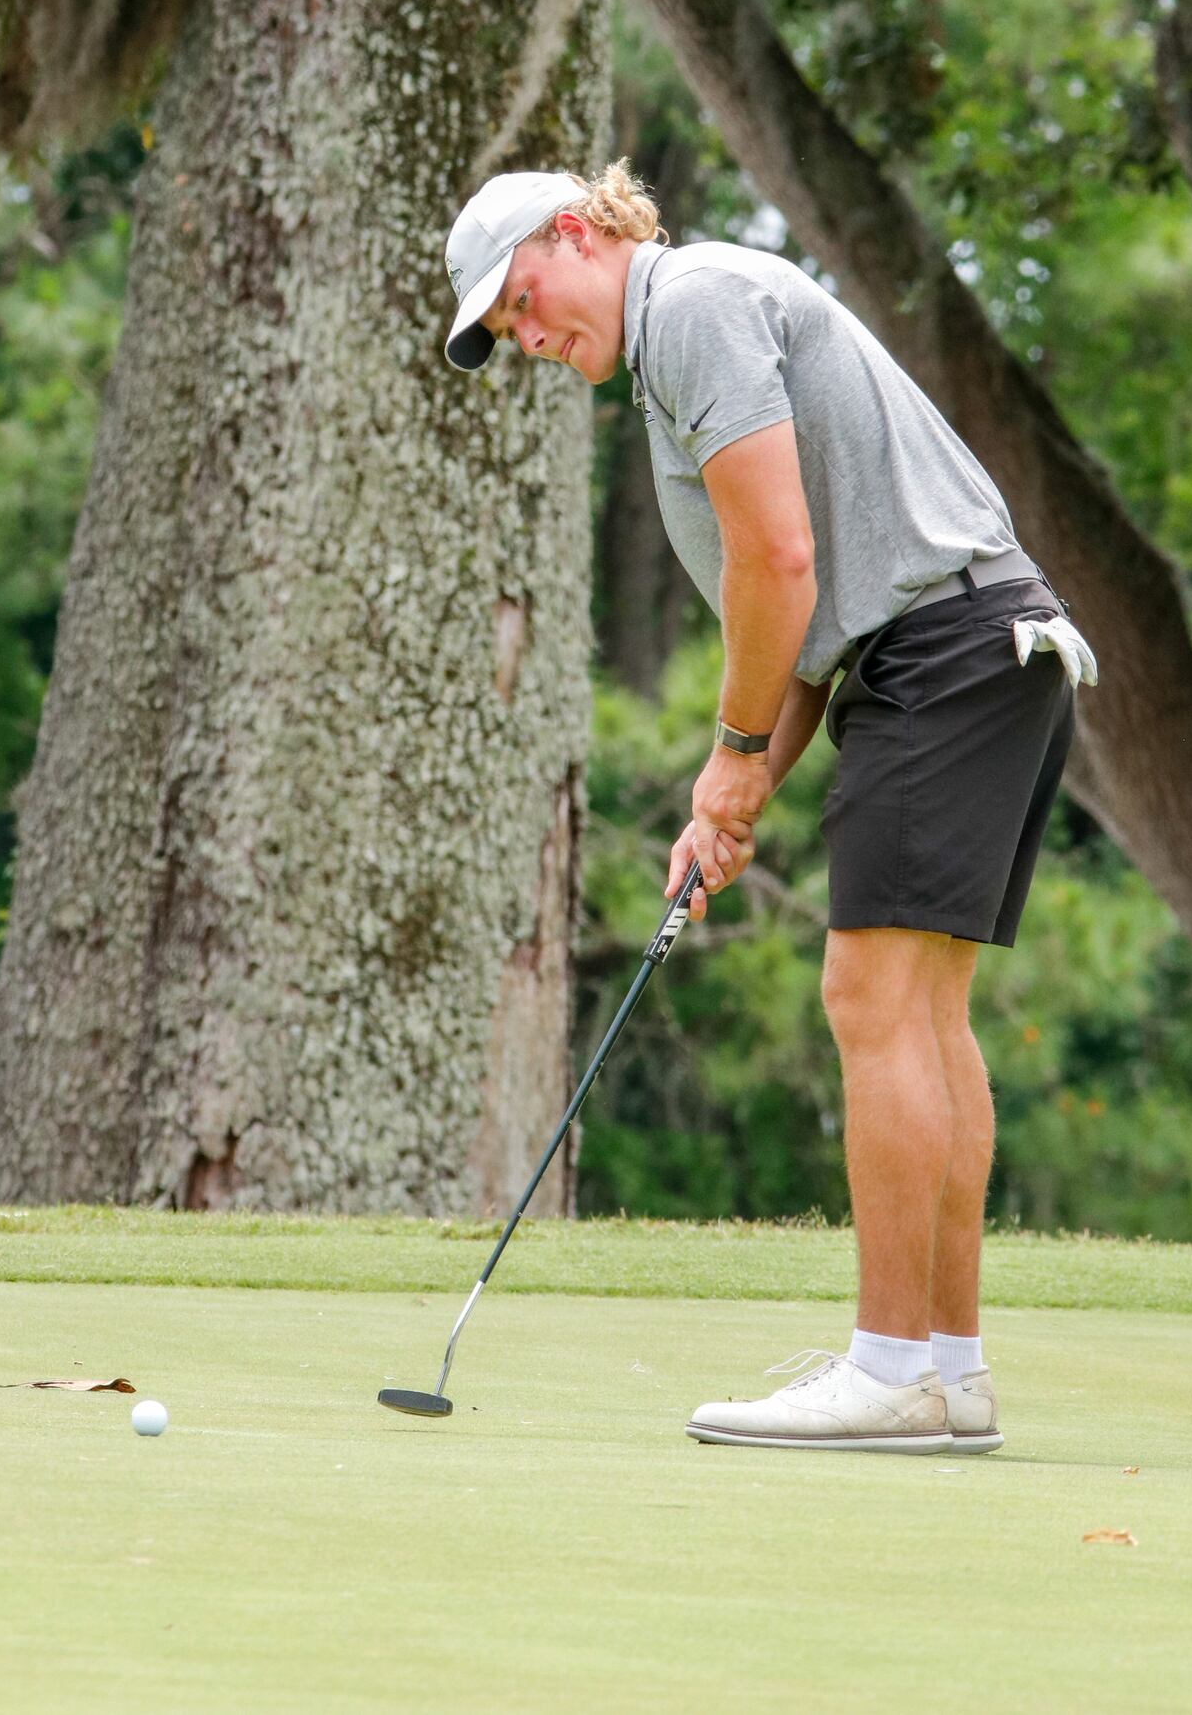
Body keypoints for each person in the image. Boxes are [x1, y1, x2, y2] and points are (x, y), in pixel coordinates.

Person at [442, 162, 1097, 1455]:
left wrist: (739, 757)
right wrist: (727, 796)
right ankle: (947, 1373)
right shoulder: (679, 357)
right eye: (505, 333)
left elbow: (780, 561)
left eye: (520, 301)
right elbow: (794, 629)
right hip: (976, 650)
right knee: (922, 1009)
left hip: (947, 653)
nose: (525, 337)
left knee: (871, 1001)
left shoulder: (689, 306)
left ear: (573, 236)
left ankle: (891, 1367)